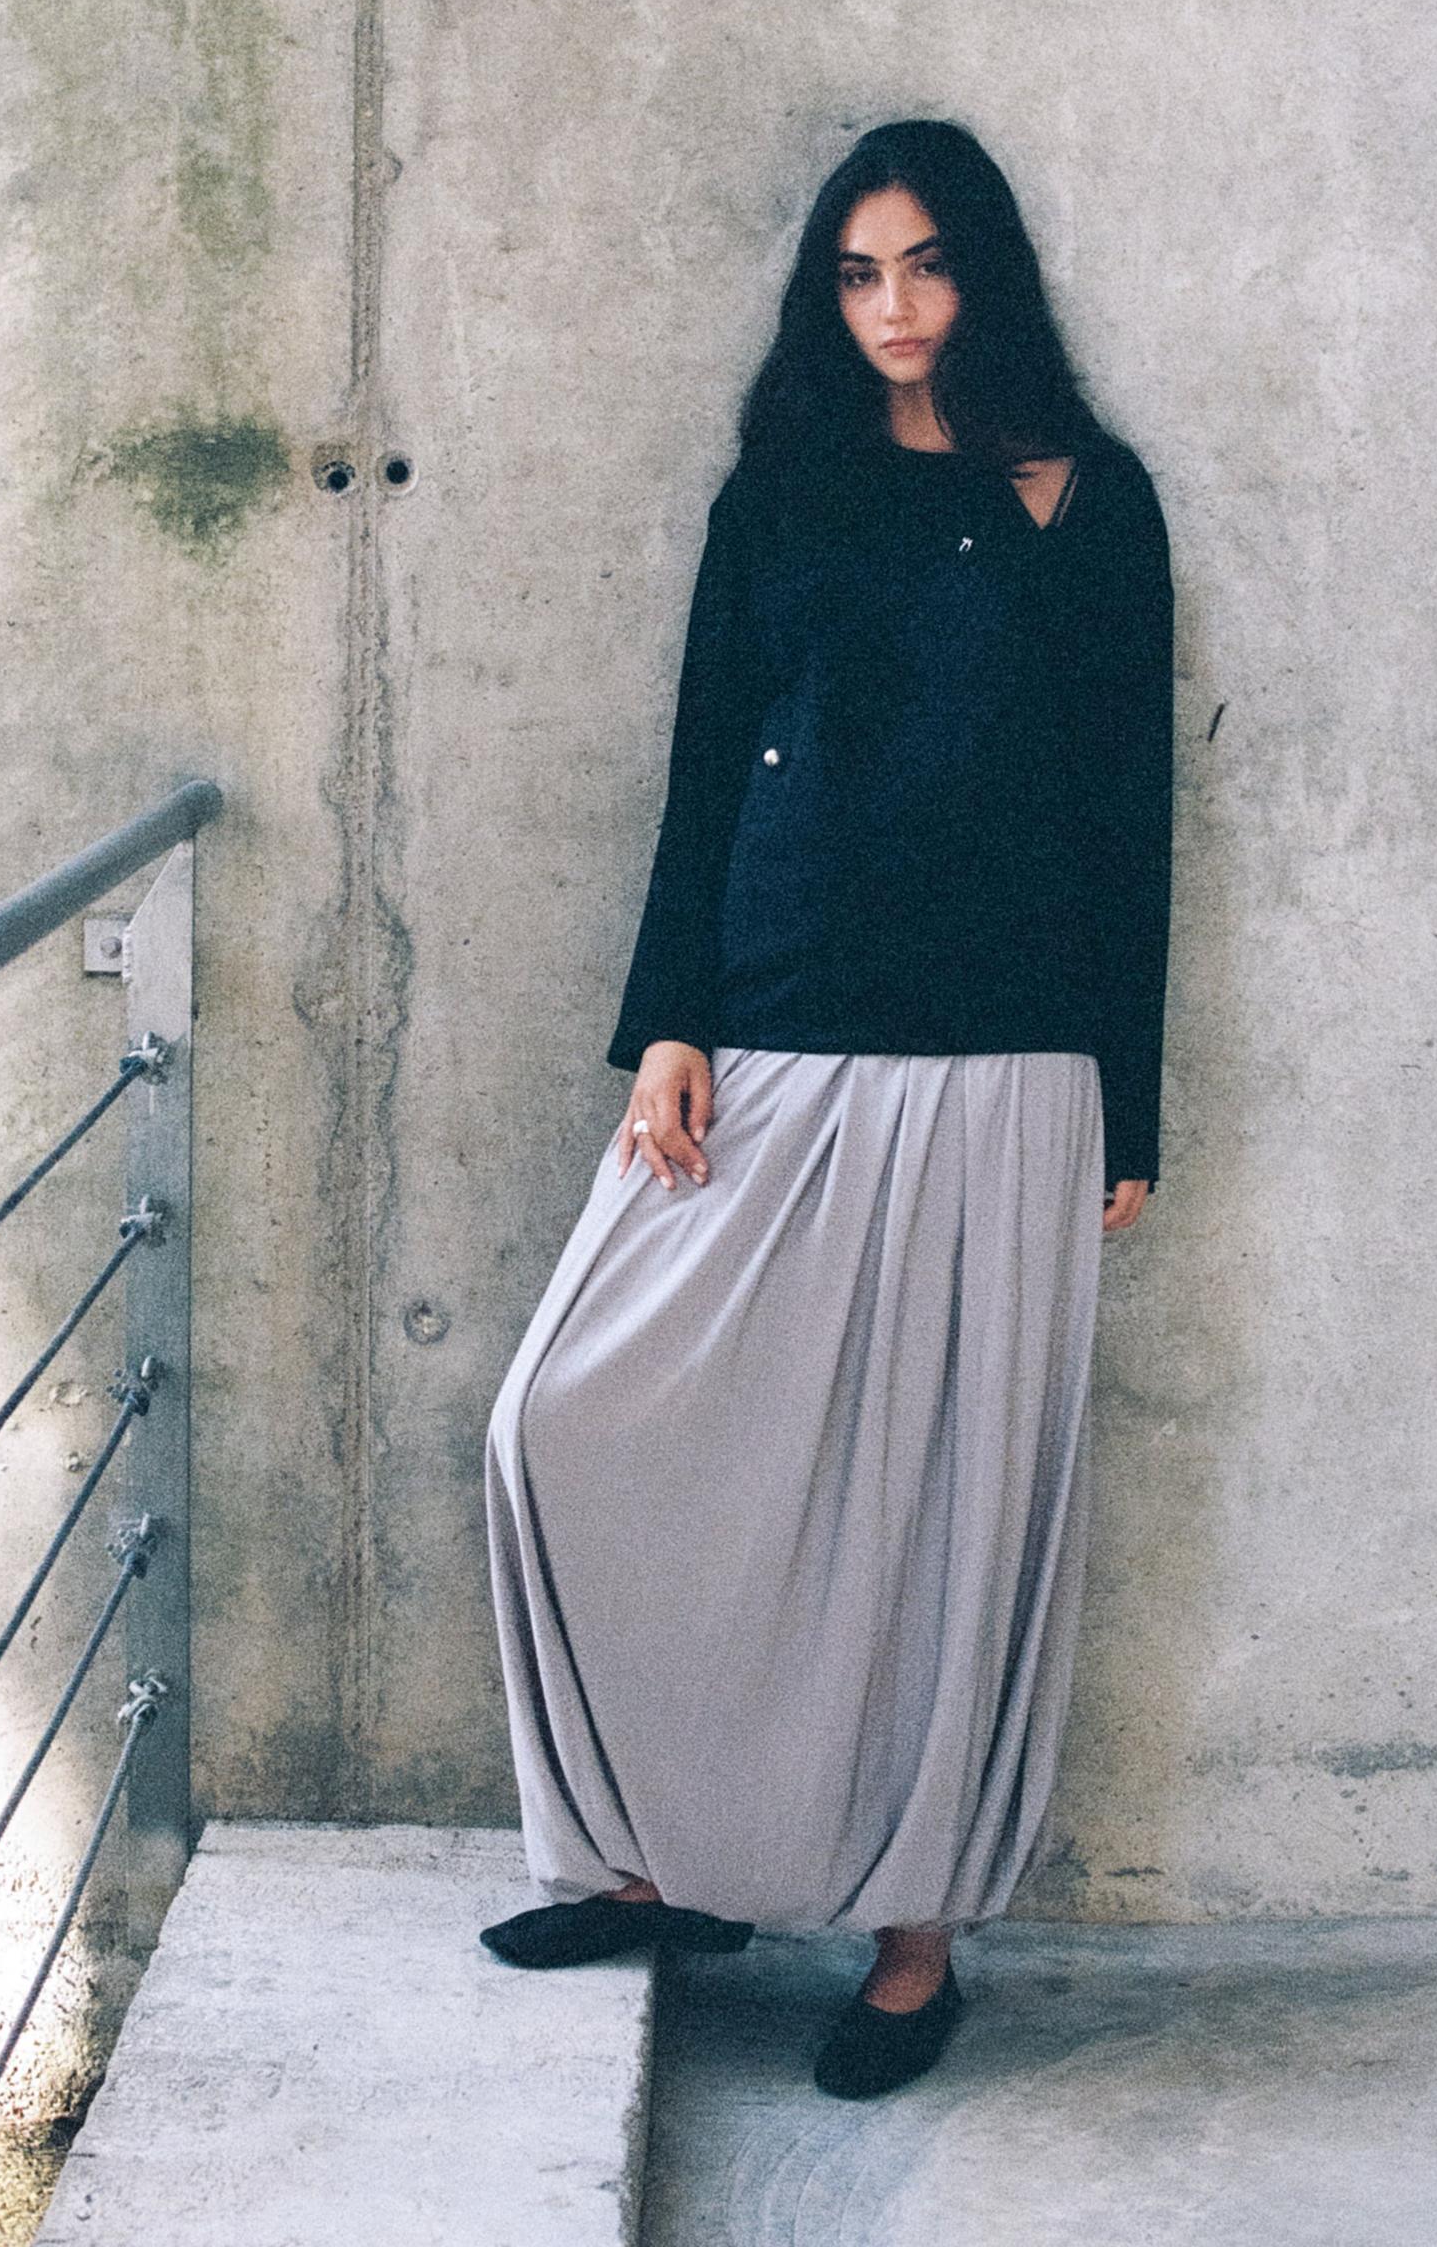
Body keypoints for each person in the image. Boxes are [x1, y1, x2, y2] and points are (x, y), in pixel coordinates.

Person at [481, 117, 1174, 2101]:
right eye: (861, 273)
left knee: (938, 1521)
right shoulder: (780, 491)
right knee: (555, 1421)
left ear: (987, 274)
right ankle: (658, 1862)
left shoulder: (1082, 498)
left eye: (929, 264)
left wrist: (1131, 1109)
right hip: (779, 1030)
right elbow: (706, 762)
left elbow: (1133, 811)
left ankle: (912, 1948)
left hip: (1010, 1061)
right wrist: (670, 1025)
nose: (896, 306)